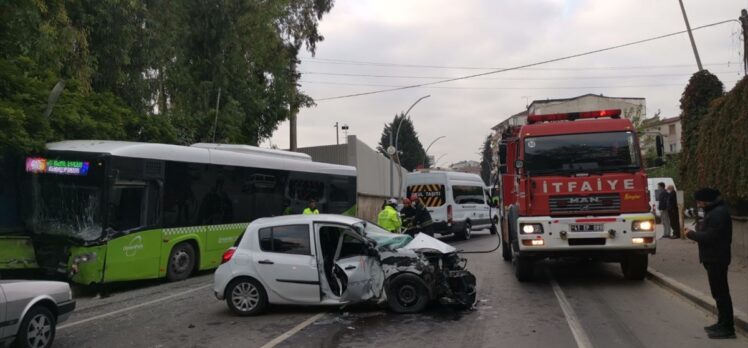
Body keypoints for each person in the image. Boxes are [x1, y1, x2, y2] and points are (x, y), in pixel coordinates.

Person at [685, 188, 735, 339]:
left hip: (717, 258)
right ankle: (721, 323)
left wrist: (691, 234)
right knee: (718, 293)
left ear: (707, 200)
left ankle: (727, 328)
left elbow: (711, 236)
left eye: (700, 201)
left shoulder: (718, 213)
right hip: (712, 257)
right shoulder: (713, 211)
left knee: (721, 294)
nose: (699, 204)